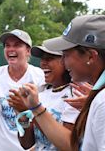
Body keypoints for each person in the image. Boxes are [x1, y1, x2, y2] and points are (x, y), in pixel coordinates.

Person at [17, 15, 105, 151]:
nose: (63, 62)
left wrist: (36, 109)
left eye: (66, 55)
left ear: (90, 56)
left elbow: (70, 145)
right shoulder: (96, 98)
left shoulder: (101, 101)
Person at [0, 29, 45, 151]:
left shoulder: (40, 77)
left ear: (28, 51)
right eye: (7, 45)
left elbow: (43, 119)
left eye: (17, 45)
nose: (11, 49)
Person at [8, 45, 79, 150]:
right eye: (42, 59)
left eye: (49, 58)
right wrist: (23, 115)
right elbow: (27, 144)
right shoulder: (41, 93)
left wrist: (32, 109)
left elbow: (67, 145)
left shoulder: (76, 95)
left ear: (65, 61)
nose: (43, 63)